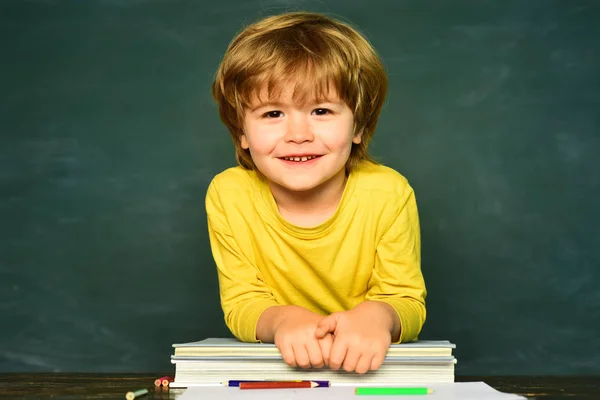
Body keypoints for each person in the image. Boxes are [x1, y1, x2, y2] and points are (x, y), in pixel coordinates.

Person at [206, 11, 426, 375]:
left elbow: (407, 300)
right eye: (272, 113)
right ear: (241, 131)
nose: (298, 134)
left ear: (359, 124)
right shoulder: (229, 195)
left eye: (321, 110)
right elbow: (242, 302)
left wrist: (377, 316)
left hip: (368, 372)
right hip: (278, 375)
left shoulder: (388, 192)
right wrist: (281, 321)